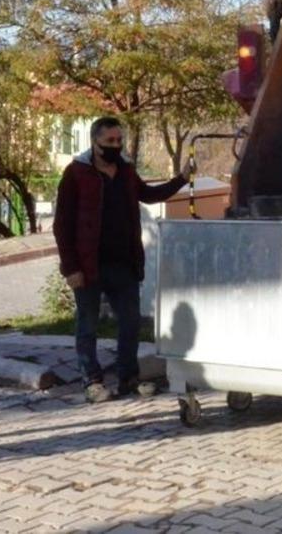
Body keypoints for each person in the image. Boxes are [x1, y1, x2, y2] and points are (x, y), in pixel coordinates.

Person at [53, 116, 188, 402]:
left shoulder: (125, 171)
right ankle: (92, 381)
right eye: (109, 141)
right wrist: (71, 267)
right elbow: (62, 224)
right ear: (95, 142)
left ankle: (129, 378)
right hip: (88, 264)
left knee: (130, 322)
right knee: (87, 325)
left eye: (119, 140)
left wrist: (181, 180)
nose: (115, 146)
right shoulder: (76, 174)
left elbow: (149, 195)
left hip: (124, 263)